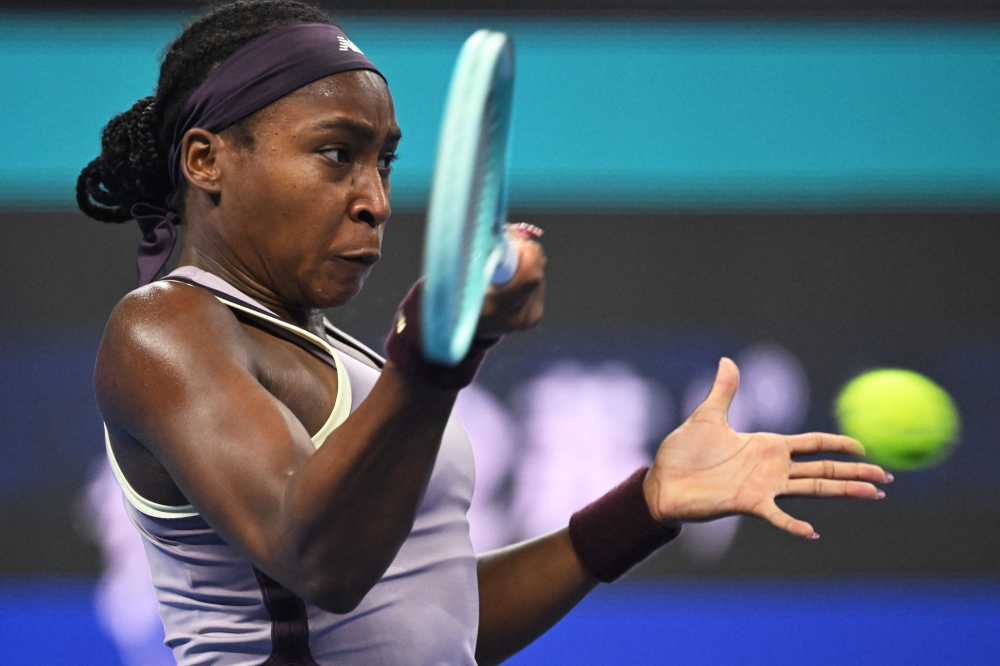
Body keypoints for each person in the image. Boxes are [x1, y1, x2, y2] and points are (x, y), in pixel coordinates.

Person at [77, 2, 892, 664]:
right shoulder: (164, 329)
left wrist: (644, 506)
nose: (376, 200)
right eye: (336, 155)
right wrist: (434, 359)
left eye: (384, 163)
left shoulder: (343, 356)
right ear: (206, 159)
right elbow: (319, 560)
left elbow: (433, 629)